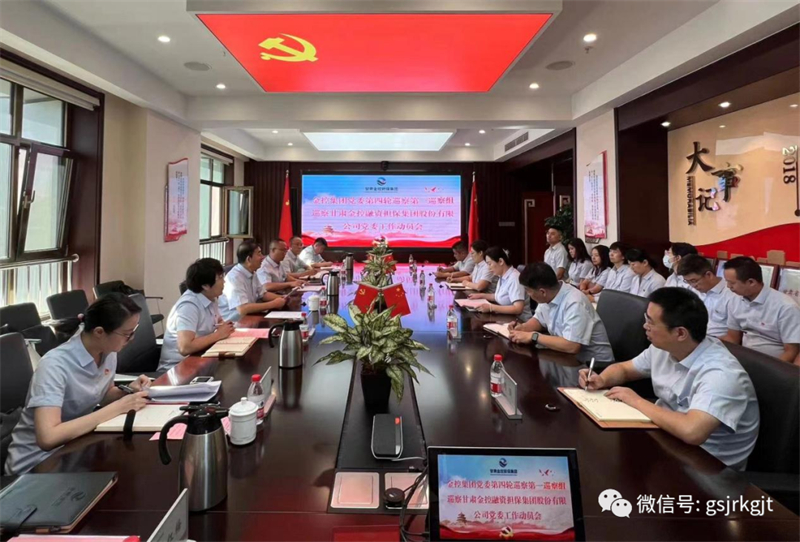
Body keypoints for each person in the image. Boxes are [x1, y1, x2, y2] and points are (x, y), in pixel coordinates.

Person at [578, 288, 759, 470]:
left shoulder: (721, 374)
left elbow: (692, 431)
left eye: (651, 322)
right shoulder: (664, 347)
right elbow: (624, 369)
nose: (645, 326)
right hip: (667, 439)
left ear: (680, 333)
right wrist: (602, 379)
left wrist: (636, 401)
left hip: (708, 466)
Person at [4, 294, 151, 475]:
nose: (131, 339)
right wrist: (118, 408)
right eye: (127, 334)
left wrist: (127, 392)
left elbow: (102, 395)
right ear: (99, 332)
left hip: (74, 448)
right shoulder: (55, 366)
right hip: (36, 466)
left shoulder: (108, 352)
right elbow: (48, 437)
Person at [509, 263, 614, 363]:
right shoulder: (549, 295)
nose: (527, 294)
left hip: (595, 366)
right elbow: (540, 319)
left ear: (542, 292)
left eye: (528, 290)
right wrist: (523, 327)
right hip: (568, 358)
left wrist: (534, 336)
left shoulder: (574, 303)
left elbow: (572, 346)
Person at [159, 258, 235, 372]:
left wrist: (225, 326)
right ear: (205, 285)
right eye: (220, 278)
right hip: (176, 369)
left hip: (199, 358)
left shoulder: (211, 298)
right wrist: (218, 334)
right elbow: (184, 347)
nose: (224, 281)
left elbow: (218, 322)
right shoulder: (189, 306)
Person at [722, 256, 800, 363]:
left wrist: (771, 369)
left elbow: (791, 351)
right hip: (744, 357)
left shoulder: (786, 307)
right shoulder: (735, 300)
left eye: (732, 283)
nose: (728, 286)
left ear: (751, 282)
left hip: (773, 362)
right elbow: (732, 337)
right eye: (727, 282)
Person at [219, 239, 287, 321]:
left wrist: (283, 298)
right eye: (259, 254)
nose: (262, 257)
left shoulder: (252, 272)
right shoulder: (234, 278)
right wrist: (273, 304)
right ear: (249, 259)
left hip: (250, 317)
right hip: (235, 323)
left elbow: (263, 295)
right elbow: (243, 308)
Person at [677, 255, 737, 339]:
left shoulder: (731, 295)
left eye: (694, 281)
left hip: (717, 341)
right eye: (687, 281)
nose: (692, 285)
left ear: (708, 275)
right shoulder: (694, 292)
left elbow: (733, 338)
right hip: (695, 337)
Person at [468, 247, 532, 321]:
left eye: (489, 264)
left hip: (520, 321)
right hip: (506, 318)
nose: (488, 268)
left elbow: (518, 309)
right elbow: (498, 296)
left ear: (501, 261)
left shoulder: (514, 278)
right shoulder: (502, 276)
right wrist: (481, 296)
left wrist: (491, 307)